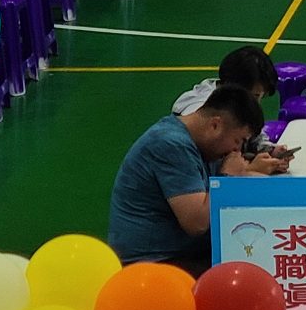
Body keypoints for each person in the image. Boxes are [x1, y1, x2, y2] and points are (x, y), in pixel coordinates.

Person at [108, 86, 269, 273]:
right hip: (154, 263)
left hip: (182, 253)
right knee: (251, 269)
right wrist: (228, 177)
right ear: (215, 125)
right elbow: (197, 223)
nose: (237, 150)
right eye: (238, 140)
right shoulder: (170, 144)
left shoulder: (204, 146)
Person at [171, 45, 293, 171]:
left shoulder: (233, 102)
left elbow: (252, 135)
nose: (256, 104)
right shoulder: (201, 112)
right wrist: (250, 169)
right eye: (255, 96)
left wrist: (270, 151)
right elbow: (213, 166)